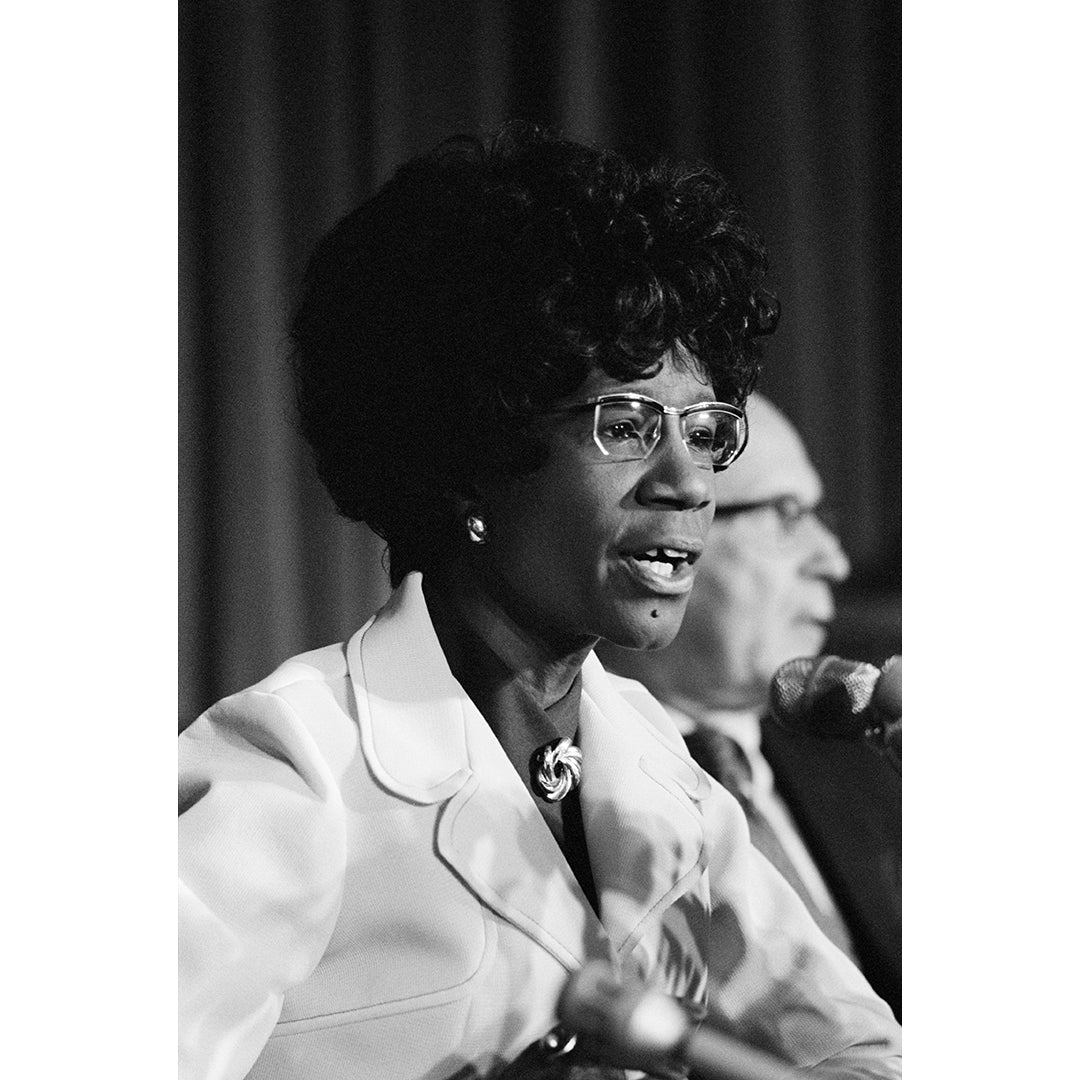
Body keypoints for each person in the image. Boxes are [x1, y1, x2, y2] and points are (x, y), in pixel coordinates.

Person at [179, 122, 901, 1080]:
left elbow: (859, 1054)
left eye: (707, 427)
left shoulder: (661, 770)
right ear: (474, 455)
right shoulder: (296, 766)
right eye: (630, 424)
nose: (687, 483)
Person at [595, 393, 901, 1017]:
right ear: (669, 530)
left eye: (822, 517)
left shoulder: (873, 765)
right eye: (787, 514)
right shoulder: (560, 778)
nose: (834, 561)